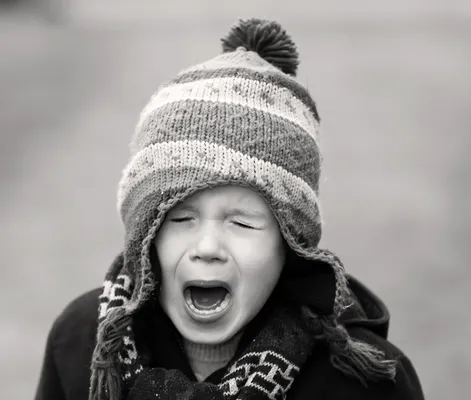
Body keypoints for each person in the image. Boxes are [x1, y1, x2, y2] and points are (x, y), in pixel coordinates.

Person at [34, 18, 426, 400]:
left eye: (241, 222)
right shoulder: (84, 342)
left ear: (290, 243)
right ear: (146, 236)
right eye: (180, 218)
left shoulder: (359, 382)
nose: (207, 246)